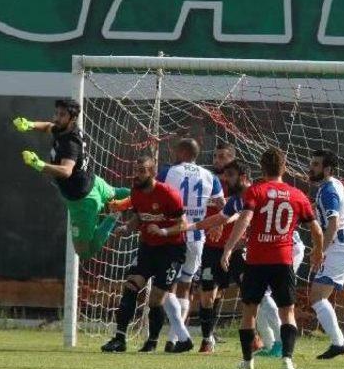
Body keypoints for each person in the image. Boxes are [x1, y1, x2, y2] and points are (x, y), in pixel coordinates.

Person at [221, 148, 324, 369]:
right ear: (284, 168)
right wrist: (318, 251)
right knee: (287, 312)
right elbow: (316, 230)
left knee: (250, 311)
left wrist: (228, 248)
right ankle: (287, 361)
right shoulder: (298, 195)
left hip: (257, 260)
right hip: (283, 260)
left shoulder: (256, 191)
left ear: (262, 168)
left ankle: (248, 362)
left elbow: (245, 220)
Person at [13, 100, 129, 260]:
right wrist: (30, 125)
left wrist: (38, 164)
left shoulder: (70, 143)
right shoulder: (65, 129)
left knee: (84, 252)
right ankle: (147, 193)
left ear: (72, 119)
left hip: (83, 202)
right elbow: (48, 126)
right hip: (95, 183)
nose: (56, 118)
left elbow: (66, 171)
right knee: (118, 193)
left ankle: (115, 214)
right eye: (57, 113)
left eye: (62, 115)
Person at [100, 156, 190, 353]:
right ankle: (120, 339)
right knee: (131, 287)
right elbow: (139, 217)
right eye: (136, 169)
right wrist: (126, 228)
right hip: (148, 248)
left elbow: (183, 224)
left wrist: (164, 231)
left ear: (152, 172)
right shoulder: (136, 192)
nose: (137, 174)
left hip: (172, 251)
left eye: (142, 170)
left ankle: (152, 342)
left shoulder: (168, 194)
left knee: (156, 300)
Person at [154, 139, 225, 352]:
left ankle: (176, 336)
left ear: (183, 151)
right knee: (185, 286)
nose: (172, 152)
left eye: (175, 149)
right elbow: (222, 204)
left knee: (167, 286)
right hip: (196, 238)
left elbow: (154, 194)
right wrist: (215, 222)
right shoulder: (209, 176)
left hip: (172, 237)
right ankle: (174, 339)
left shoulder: (168, 172)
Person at [308, 149, 344, 359]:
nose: (311, 168)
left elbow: (333, 224)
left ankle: (338, 344)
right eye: (312, 164)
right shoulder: (330, 186)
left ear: (327, 169)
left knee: (317, 297)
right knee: (319, 297)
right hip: (341, 247)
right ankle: (339, 342)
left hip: (338, 248)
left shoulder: (328, 190)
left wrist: (320, 250)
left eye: (316, 165)